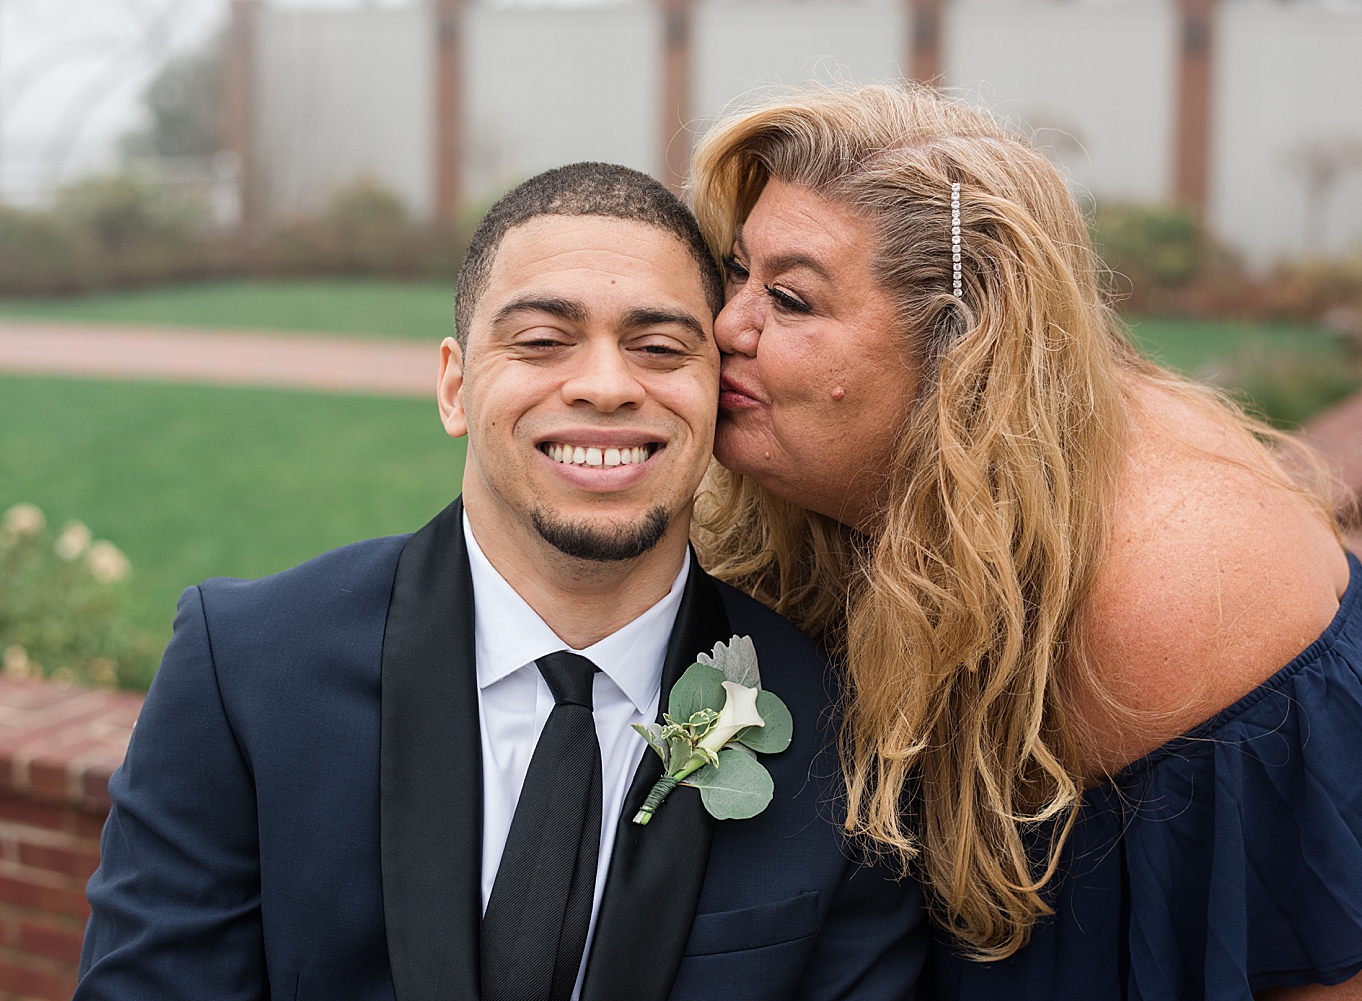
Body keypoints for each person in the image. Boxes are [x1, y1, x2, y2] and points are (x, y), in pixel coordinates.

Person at [688, 85, 1362, 1000]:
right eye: (735, 271)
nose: (726, 325)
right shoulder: (943, 485)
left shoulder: (1167, 598)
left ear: (964, 345)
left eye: (789, 298)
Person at [75, 162, 926, 1001]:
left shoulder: (841, 735)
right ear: (453, 385)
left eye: (660, 348)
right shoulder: (246, 671)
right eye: (542, 341)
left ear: (718, 391)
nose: (604, 386)